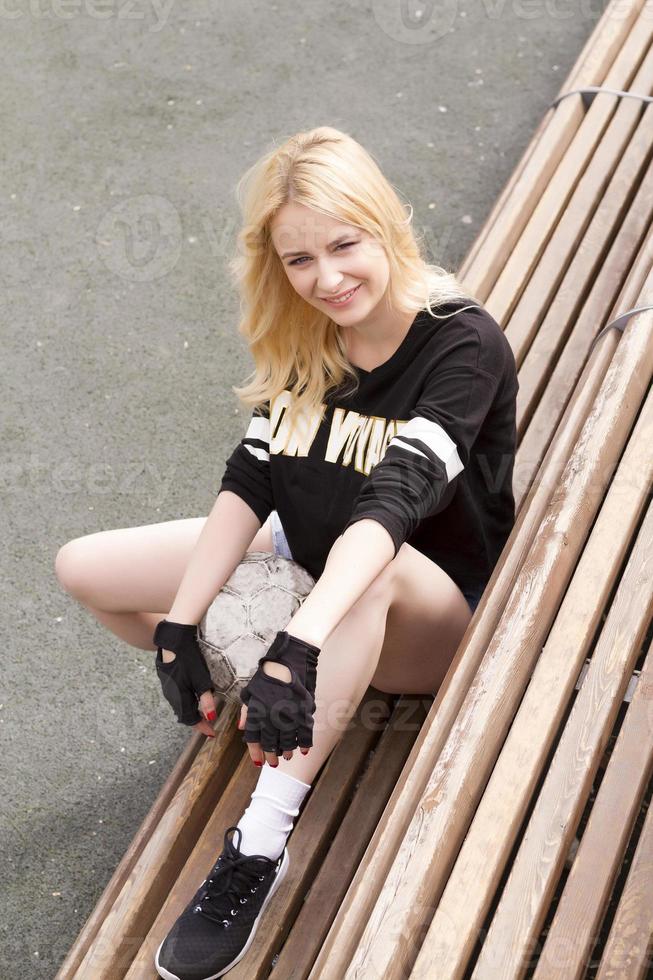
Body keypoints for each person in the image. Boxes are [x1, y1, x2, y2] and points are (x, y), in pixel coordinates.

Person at [55, 125, 518, 980]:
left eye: (344, 245)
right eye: (299, 260)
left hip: (425, 603)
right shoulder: (305, 333)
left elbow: (395, 501)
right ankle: (268, 680)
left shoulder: (460, 341)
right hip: (305, 555)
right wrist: (181, 627)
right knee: (85, 567)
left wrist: (298, 643)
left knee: (367, 569)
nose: (327, 278)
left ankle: (260, 845)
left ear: (384, 226)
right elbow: (252, 474)